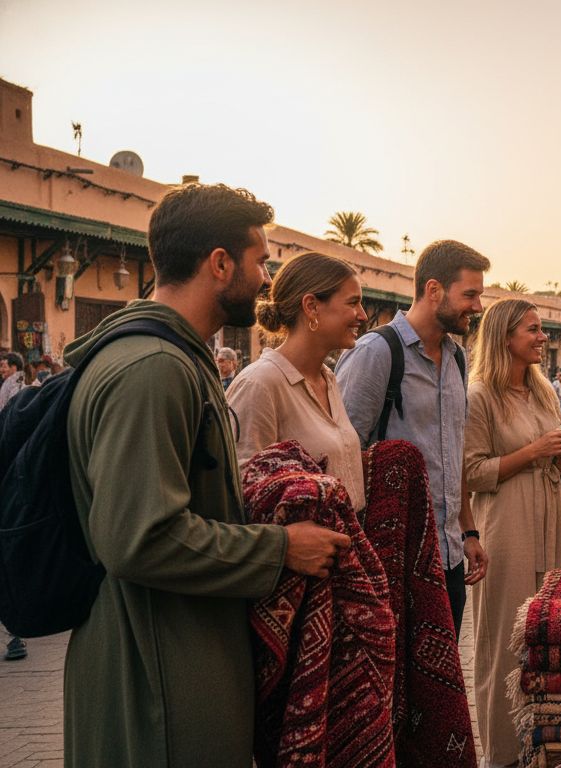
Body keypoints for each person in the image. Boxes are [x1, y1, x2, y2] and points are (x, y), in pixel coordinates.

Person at [62, 183, 350, 767]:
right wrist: (280, 548)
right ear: (220, 263)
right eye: (260, 261)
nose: (267, 280)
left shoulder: (173, 359)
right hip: (159, 678)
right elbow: (139, 537)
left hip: (177, 658)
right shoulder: (154, 369)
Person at [336, 239, 491, 636]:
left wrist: (468, 532)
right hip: (393, 558)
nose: (477, 306)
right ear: (433, 289)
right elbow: (341, 454)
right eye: (470, 294)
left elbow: (452, 452)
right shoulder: (376, 353)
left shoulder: (457, 358)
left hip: (448, 557)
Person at [464, 299, 561, 768]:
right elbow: (471, 472)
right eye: (532, 329)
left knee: (555, 632)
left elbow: (549, 459)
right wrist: (534, 451)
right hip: (506, 525)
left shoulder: (542, 390)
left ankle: (549, 743)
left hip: (551, 518)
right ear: (505, 337)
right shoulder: (479, 396)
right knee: (504, 643)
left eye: (542, 328)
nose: (542, 337)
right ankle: (504, 753)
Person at [227, 252, 368, 514]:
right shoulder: (260, 384)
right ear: (311, 306)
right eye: (353, 303)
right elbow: (241, 495)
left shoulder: (328, 378)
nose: (362, 315)